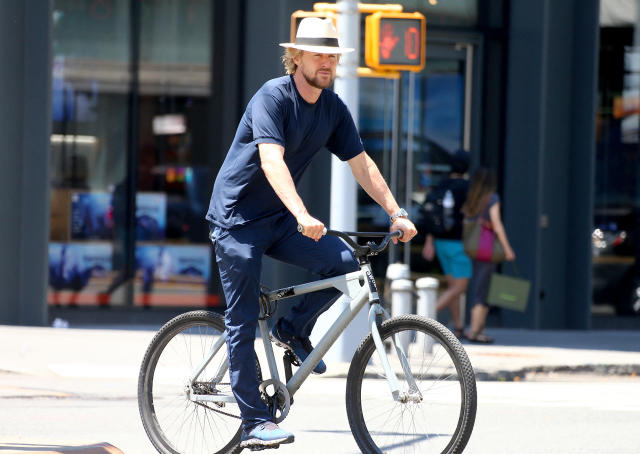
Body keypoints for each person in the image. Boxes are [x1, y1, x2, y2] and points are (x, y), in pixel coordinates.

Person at [205, 18, 417, 451]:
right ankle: (253, 424)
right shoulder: (272, 97)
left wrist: (396, 212)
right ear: (296, 57)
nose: (327, 62)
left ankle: (292, 327)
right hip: (237, 220)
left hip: (279, 220)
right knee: (242, 321)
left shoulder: (332, 108)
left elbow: (362, 165)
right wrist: (302, 212)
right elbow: (271, 161)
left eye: (333, 55)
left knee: (341, 262)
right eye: (318, 54)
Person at [461, 167, 515, 343]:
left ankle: (479, 330)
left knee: (480, 285)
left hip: (474, 248)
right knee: (482, 290)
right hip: (487, 250)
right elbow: (497, 224)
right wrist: (507, 249)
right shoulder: (492, 198)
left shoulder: (472, 197)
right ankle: (475, 331)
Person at [421, 150, 471, 339]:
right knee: (460, 288)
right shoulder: (466, 187)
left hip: (440, 242)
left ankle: (458, 326)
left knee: (452, 286)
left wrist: (429, 242)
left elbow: (431, 214)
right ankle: (423, 317)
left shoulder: (442, 184)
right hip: (458, 243)